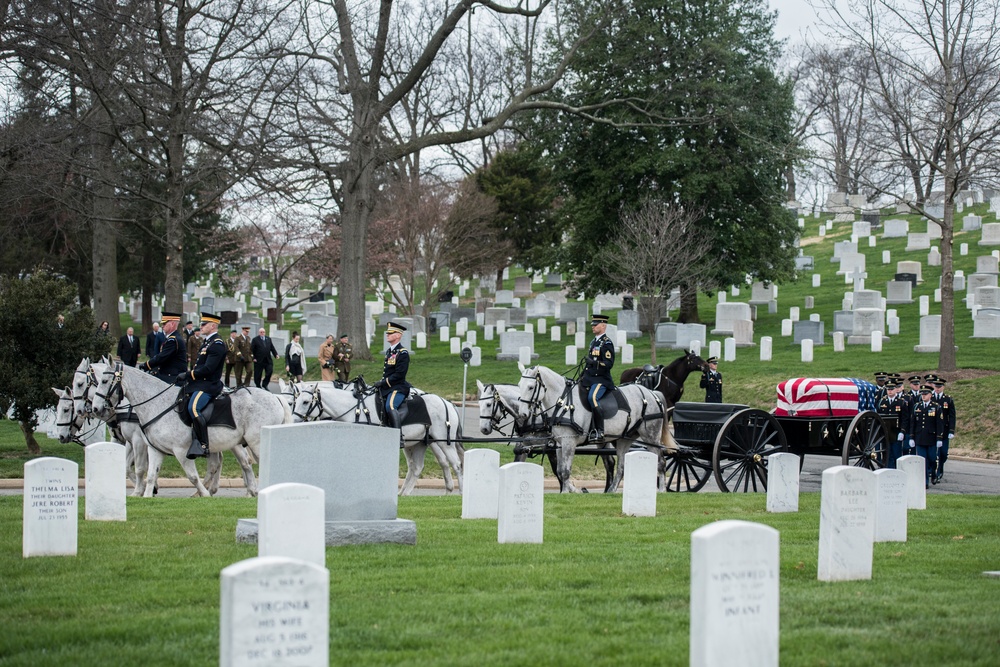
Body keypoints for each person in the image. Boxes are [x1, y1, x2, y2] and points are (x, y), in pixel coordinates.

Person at [176, 312, 226, 459]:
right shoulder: (207, 342)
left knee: (193, 407)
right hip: (199, 383)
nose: (201, 327)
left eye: (204, 324)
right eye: (202, 324)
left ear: (213, 326)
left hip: (209, 385)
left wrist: (188, 374)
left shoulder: (217, 344)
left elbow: (208, 369)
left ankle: (203, 444)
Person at [580, 314, 615, 442]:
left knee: (592, 397)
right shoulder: (594, 341)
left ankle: (600, 430)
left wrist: (594, 363)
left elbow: (609, 364)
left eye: (596, 324)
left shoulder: (607, 343)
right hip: (589, 377)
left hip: (601, 379)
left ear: (603, 325)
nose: (593, 327)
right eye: (593, 325)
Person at [374, 322, 410, 429]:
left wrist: (383, 382)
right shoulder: (389, 351)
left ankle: (398, 436)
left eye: (391, 333)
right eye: (387, 333)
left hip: (398, 387)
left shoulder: (402, 353)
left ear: (398, 335)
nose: (387, 335)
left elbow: (400, 374)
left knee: (390, 406)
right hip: (388, 387)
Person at [908, 384, 943, 489]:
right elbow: (913, 423)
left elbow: (939, 424)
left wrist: (939, 438)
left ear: (930, 395)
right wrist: (911, 437)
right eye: (922, 394)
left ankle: (933, 472)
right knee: (922, 460)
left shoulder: (936, 407)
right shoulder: (916, 407)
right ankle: (925, 481)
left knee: (932, 458)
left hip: (931, 438)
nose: (923, 396)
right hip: (920, 438)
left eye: (926, 394)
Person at [140, 312, 188, 383]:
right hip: (166, 374)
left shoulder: (173, 340)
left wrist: (147, 364)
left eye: (164, 324)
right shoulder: (171, 338)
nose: (162, 326)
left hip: (172, 376)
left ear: (172, 324)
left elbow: (162, 357)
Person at [927, 375, 957, 484]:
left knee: (943, 453)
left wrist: (951, 430)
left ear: (943, 387)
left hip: (944, 430)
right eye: (936, 386)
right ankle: (933, 472)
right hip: (932, 430)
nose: (937, 388)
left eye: (940, 386)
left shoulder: (947, 399)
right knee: (932, 454)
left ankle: (940, 469)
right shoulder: (930, 397)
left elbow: (952, 416)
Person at [877, 380, 909, 469]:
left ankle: (896, 471)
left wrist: (902, 431)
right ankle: (888, 471)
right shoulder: (882, 402)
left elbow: (905, 419)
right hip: (885, 433)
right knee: (887, 455)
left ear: (895, 390)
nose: (890, 391)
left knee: (896, 454)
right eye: (888, 389)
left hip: (896, 432)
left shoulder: (901, 402)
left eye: (892, 389)